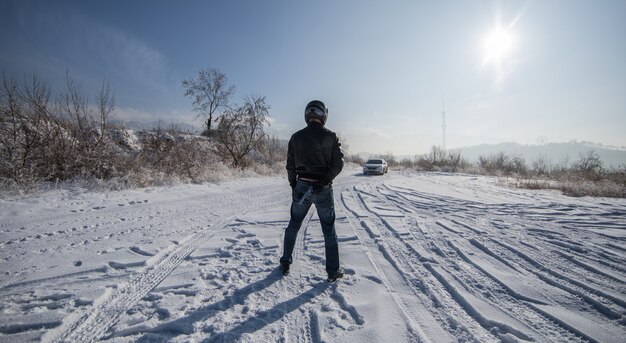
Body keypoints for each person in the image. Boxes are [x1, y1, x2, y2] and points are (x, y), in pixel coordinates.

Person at [280, 100, 345, 282]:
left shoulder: (296, 137)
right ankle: (333, 272)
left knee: (293, 225)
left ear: (307, 114)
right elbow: (338, 164)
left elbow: (290, 166)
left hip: (302, 185)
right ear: (323, 115)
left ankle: (285, 261)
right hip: (323, 189)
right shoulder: (331, 136)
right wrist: (323, 181)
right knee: (329, 231)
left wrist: (294, 185)